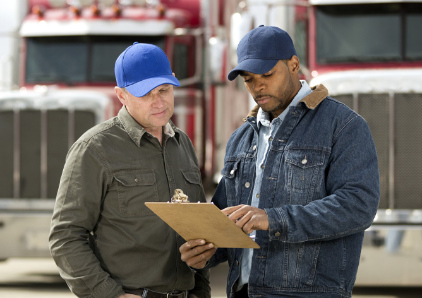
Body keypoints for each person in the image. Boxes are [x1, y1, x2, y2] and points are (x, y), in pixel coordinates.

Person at [179, 25, 380, 297]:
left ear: (294, 64)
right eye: (248, 79)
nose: (257, 85)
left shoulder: (343, 126)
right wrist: (205, 251)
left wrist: (273, 219)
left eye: (267, 74)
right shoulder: (240, 138)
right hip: (243, 291)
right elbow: (228, 224)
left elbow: (358, 205)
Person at [49, 42, 211, 298]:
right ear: (121, 95)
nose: (158, 102)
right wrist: (111, 295)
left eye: (164, 90)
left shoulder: (183, 144)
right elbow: (65, 235)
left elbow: (199, 228)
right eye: (145, 94)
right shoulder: (94, 148)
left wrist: (202, 291)